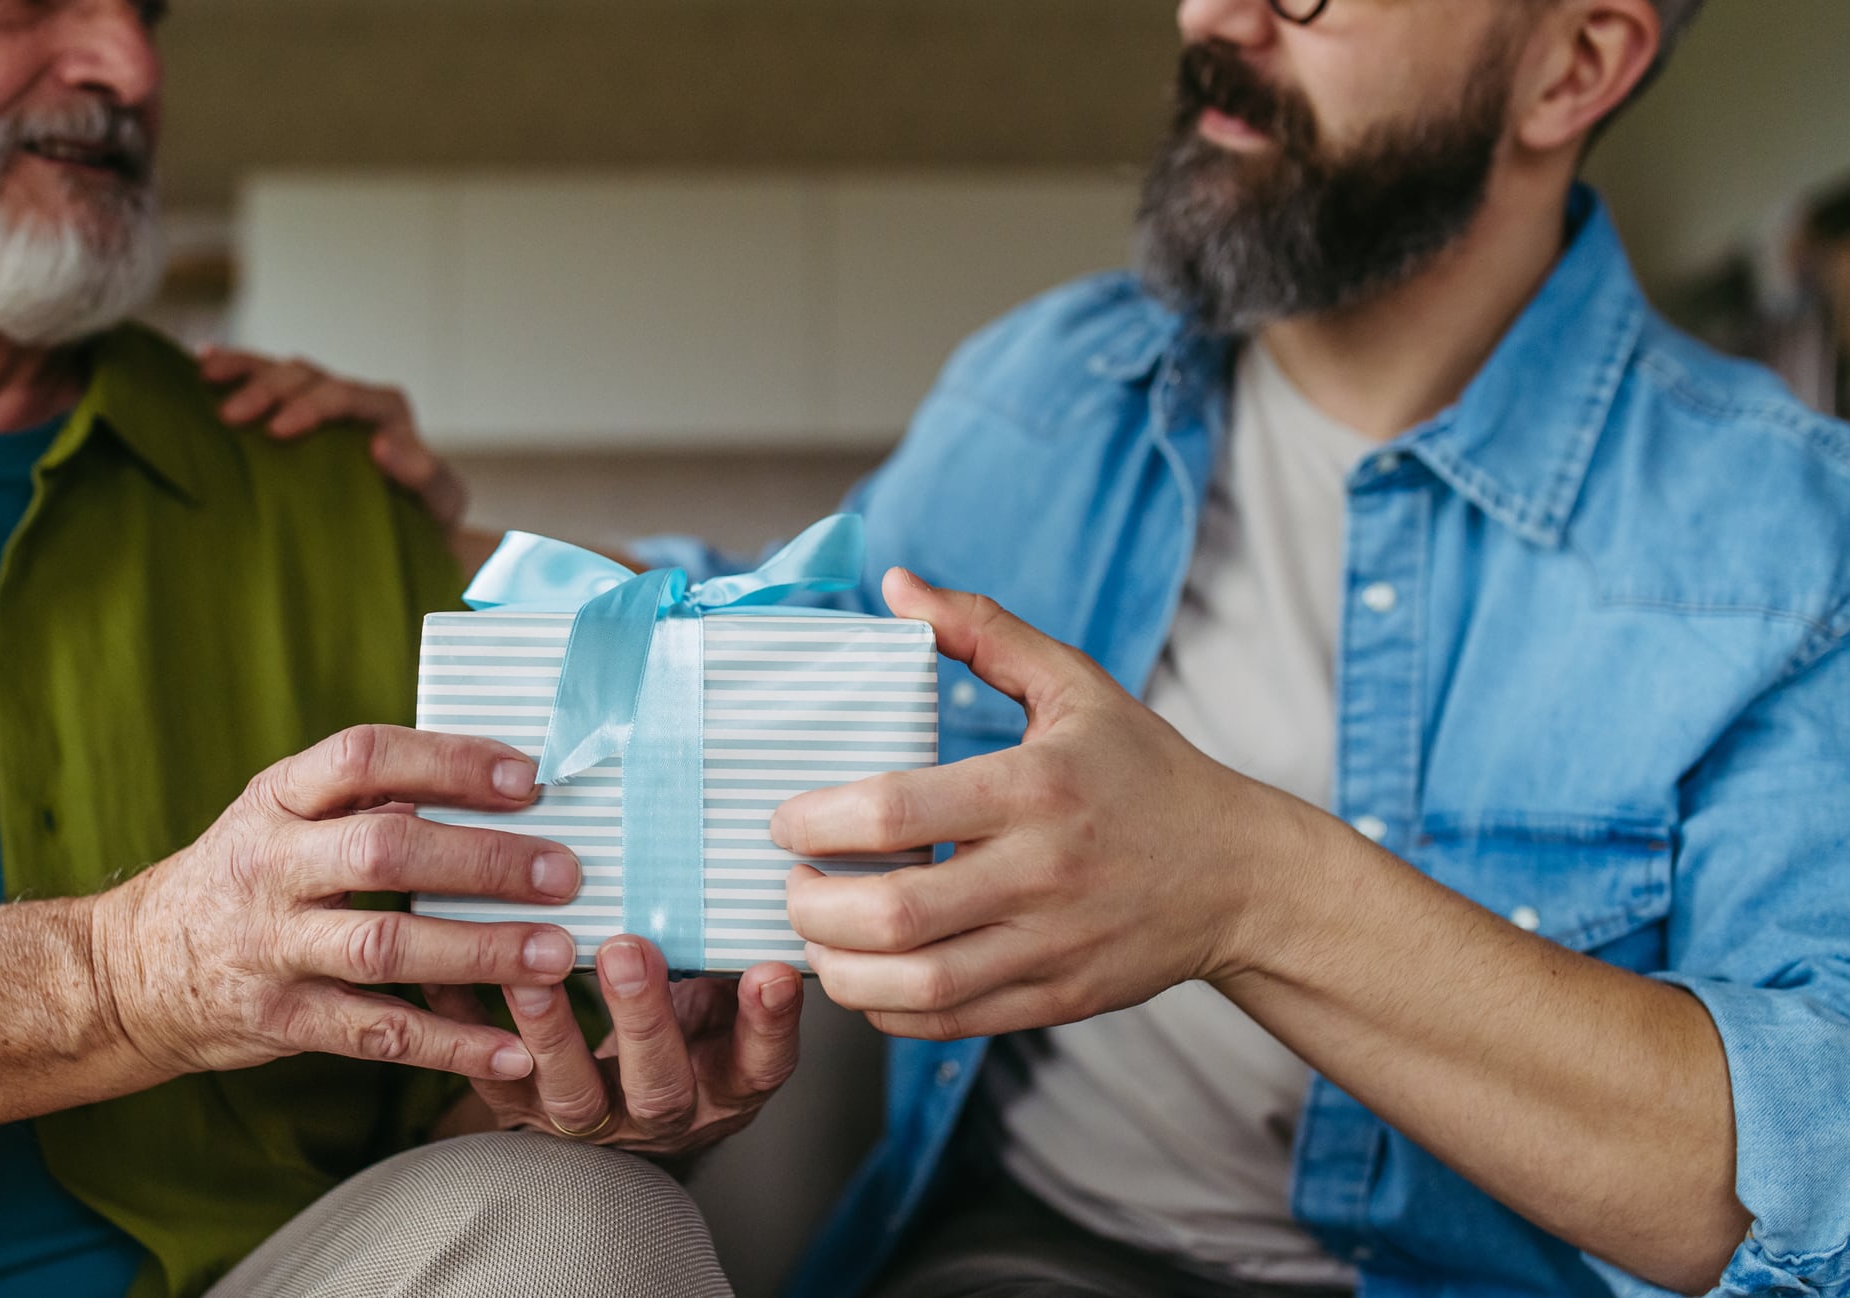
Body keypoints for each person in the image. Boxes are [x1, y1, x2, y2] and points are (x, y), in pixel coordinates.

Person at [279, 0, 1850, 1293]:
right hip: (1029, 1259)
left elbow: (1809, 1184)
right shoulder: (1049, 384)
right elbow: (774, 624)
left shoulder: (1790, 548)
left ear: (1574, 64)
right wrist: (440, 538)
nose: (1215, 19)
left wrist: (1246, 887)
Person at [0, 0, 803, 1295]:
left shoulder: (327, 493)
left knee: (583, 1219)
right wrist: (124, 970)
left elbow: (457, 1100)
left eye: (145, 10)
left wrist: (586, 1088)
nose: (130, 68)